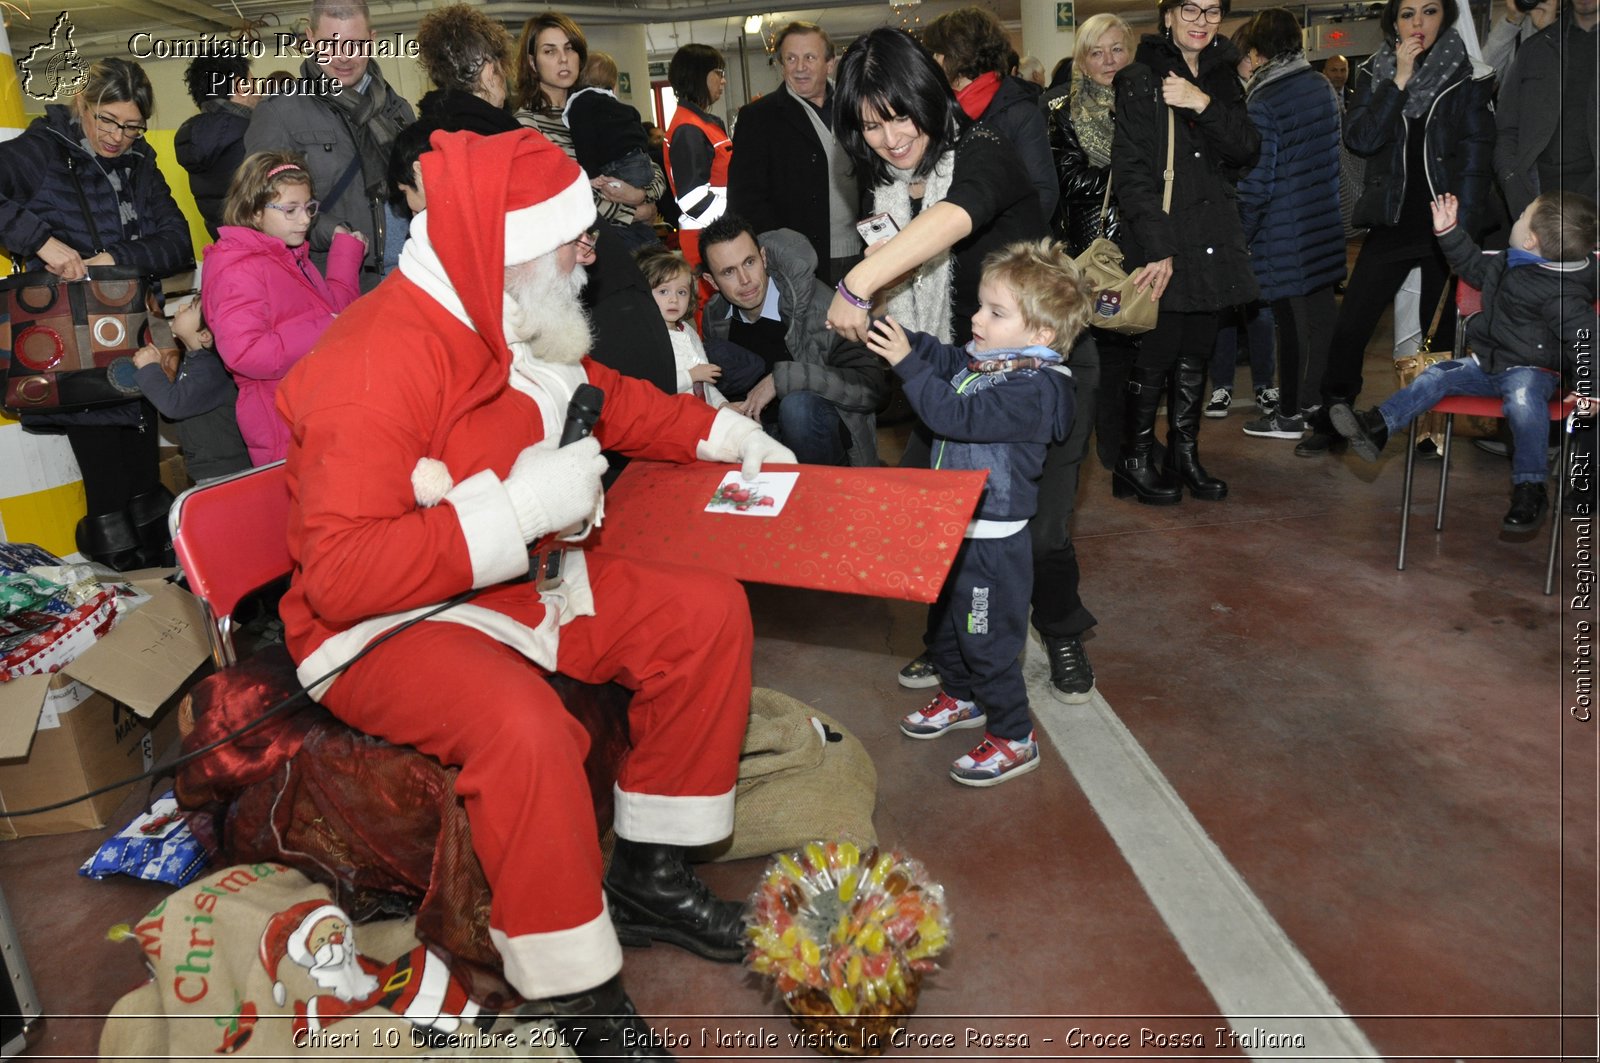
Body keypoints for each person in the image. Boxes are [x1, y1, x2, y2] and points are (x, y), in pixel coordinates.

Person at [274, 127, 794, 1057]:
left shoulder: (504, 305)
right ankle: (577, 992)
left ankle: (649, 875)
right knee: (525, 729)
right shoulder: (373, 359)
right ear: (507, 243)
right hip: (384, 626)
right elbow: (342, 578)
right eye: (573, 236)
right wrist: (514, 511)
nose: (590, 249)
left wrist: (720, 437)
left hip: (507, 580)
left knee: (706, 613)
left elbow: (603, 396)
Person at [827, 28, 1100, 707]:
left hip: (1040, 374)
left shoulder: (985, 150)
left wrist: (859, 280)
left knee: (1036, 532)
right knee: (928, 521)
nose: (891, 138)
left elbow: (953, 218)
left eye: (900, 116)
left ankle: (1061, 629)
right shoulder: (886, 176)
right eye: (872, 125)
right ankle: (950, 637)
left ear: (929, 94)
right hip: (959, 373)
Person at [863, 240, 1089, 786]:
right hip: (954, 526)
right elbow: (944, 360)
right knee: (945, 627)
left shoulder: (1033, 389)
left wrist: (904, 365)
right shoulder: (992, 361)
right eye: (980, 306)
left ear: (1041, 335)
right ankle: (961, 697)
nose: (977, 318)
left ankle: (1015, 735)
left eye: (995, 312)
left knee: (987, 641)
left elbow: (954, 415)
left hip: (991, 543)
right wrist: (900, 339)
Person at [0, 57, 194, 570]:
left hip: (134, 334)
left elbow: (177, 243)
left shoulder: (140, 162)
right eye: (107, 120)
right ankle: (123, 571)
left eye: (131, 126)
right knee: (109, 481)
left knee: (140, 471)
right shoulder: (41, 152)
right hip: (74, 343)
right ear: (82, 104)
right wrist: (41, 242)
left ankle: (153, 576)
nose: (117, 136)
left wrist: (114, 260)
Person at [1295, 0, 1495, 457]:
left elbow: (1474, 159)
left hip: (1444, 225)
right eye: (1408, 14)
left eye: (1428, 11)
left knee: (1438, 336)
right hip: (1391, 219)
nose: (1418, 23)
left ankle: (1428, 430)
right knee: (1352, 326)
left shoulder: (1470, 75)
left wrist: (1459, 232)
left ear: (1445, 17)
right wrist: (1399, 83)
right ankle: (1332, 418)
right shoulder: (1375, 72)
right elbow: (1361, 138)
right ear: (1394, 21)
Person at [1330, 191, 1597, 532]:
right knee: (1436, 375)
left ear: (1531, 240)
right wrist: (1449, 231)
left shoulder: (1564, 294)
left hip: (1532, 373)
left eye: (1521, 217)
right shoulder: (1509, 261)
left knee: (1522, 402)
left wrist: (1591, 388)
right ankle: (1377, 427)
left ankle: (1530, 488)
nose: (1515, 219)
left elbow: (1588, 338)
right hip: (1488, 363)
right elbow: (1472, 265)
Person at [1107, 0, 1261, 504]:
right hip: (1163, 240)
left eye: (1212, 11)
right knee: (1157, 351)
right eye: (1189, 9)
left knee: (1197, 347)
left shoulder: (1221, 78)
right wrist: (1159, 247)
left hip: (1212, 237)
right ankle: (1133, 460)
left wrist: (1203, 104)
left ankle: (1184, 453)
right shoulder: (1140, 78)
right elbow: (1130, 174)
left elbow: (1246, 150)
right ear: (1167, 15)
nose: (1201, 21)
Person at [202, 152, 364, 465]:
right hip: (279, 420)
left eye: (308, 208)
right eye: (290, 210)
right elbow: (245, 352)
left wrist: (345, 256)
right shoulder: (238, 269)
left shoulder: (290, 257)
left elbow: (337, 318)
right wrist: (324, 326)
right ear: (254, 213)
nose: (304, 219)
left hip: (310, 406)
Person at [245, 0, 414, 291]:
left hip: (410, 276)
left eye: (355, 44)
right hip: (334, 287)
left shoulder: (398, 110)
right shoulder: (279, 113)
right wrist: (330, 231)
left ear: (372, 40)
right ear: (310, 39)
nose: (343, 58)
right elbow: (259, 207)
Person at [1233, 8, 1346, 441]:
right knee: (1320, 314)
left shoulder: (1264, 100)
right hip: (1322, 217)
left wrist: (1243, 233)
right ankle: (1314, 399)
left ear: (1258, 52)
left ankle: (1288, 415)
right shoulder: (1319, 85)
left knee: (1289, 319)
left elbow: (1258, 183)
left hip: (1284, 227)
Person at [699, 213, 884, 466]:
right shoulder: (715, 316)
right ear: (712, 281)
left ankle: (816, 493)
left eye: (750, 262)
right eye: (729, 272)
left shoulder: (821, 306)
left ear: (763, 257)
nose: (745, 280)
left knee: (797, 407)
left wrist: (783, 379)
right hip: (756, 440)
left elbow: (871, 388)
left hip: (821, 442)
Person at [1046, 12, 1137, 472]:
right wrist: (1132, 178)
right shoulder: (1061, 109)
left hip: (1145, 239)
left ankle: (1130, 445)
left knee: (1146, 348)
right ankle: (1109, 449)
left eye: (1116, 49)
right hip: (1092, 247)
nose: (1108, 60)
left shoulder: (1149, 103)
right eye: (1096, 52)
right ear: (1081, 58)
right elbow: (1068, 179)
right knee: (1103, 354)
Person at [726, 21, 864, 284]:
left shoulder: (856, 107)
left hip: (864, 253)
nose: (800, 67)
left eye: (810, 57)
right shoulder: (759, 118)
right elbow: (745, 200)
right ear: (781, 64)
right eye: (791, 58)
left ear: (830, 63)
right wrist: (782, 254)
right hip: (801, 264)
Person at [515, 13, 665, 254]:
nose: (563, 59)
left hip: (626, 245)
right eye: (549, 51)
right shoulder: (527, 124)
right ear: (533, 63)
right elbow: (560, 199)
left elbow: (648, 164)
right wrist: (635, 213)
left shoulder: (598, 108)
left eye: (570, 49)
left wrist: (641, 194)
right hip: (575, 255)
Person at [922, 6, 1059, 223]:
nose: (934, 61)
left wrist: (1008, 248)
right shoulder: (941, 111)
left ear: (958, 54)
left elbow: (1043, 192)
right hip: (950, 239)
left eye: (938, 53)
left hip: (1006, 249)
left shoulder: (1019, 112)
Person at [131, 300, 250, 485]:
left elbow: (174, 406)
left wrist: (149, 369)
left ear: (204, 335)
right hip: (212, 467)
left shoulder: (212, 368)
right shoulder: (194, 362)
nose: (180, 308)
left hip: (228, 470)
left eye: (190, 308)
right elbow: (174, 410)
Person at [565, 52, 661, 250]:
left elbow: (585, 142)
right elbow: (641, 137)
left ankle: (642, 248)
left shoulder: (580, 104)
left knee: (623, 226)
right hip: (641, 164)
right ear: (613, 84)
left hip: (619, 169)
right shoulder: (625, 108)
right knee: (639, 218)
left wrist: (592, 175)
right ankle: (651, 247)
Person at [174, 53, 257, 240]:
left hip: (225, 249)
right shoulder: (252, 135)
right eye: (253, 83)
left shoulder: (193, 136)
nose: (258, 92)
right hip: (262, 252)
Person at [665, 43, 733, 269]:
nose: (723, 80)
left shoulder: (701, 123)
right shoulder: (689, 129)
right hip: (708, 239)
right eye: (718, 73)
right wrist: (737, 216)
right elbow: (693, 200)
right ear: (698, 75)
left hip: (715, 237)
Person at [637, 246, 727, 407]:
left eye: (682, 292)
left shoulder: (688, 331)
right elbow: (653, 385)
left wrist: (722, 405)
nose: (674, 299)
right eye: (664, 291)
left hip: (702, 415)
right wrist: (691, 376)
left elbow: (705, 383)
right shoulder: (647, 337)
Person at [414, 2, 519, 136]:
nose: (504, 76)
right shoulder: (513, 139)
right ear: (490, 73)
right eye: (502, 68)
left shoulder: (413, 139)